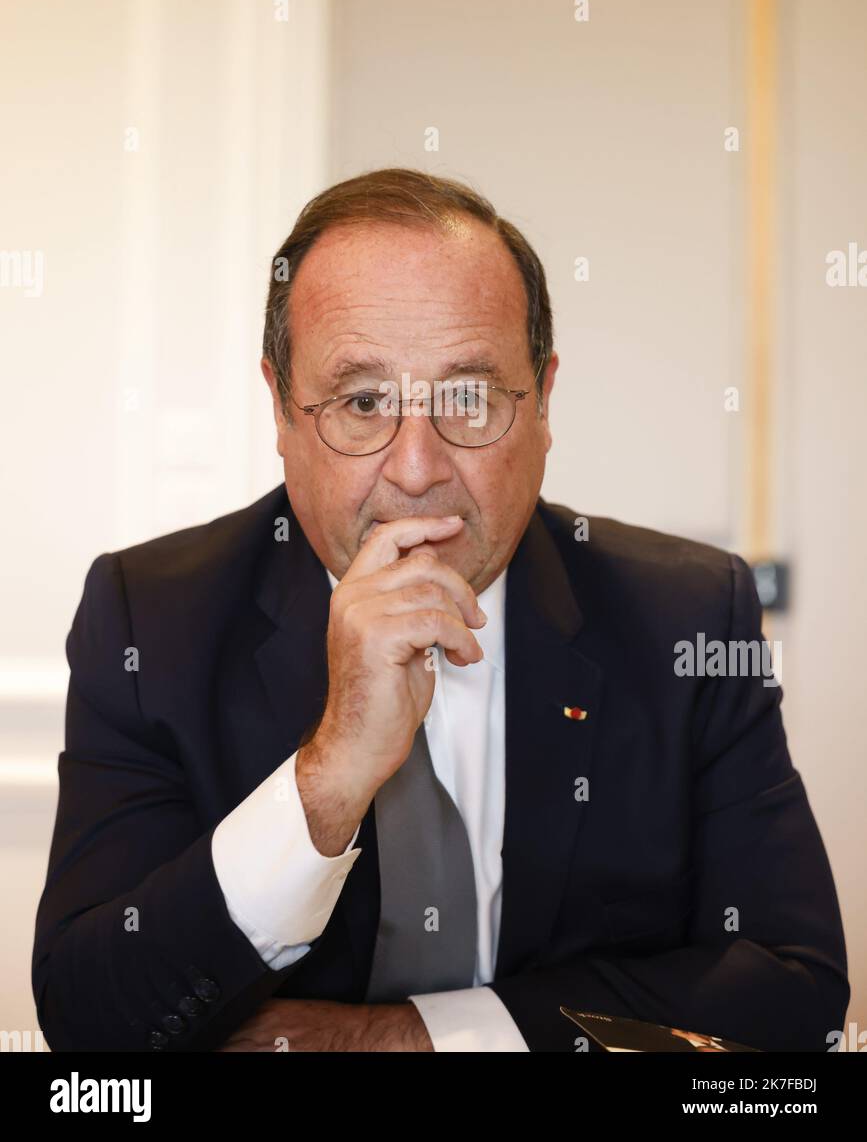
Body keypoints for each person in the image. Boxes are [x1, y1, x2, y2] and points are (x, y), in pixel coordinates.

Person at [32, 169, 849, 1052]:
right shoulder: (150, 619)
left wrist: (405, 1042)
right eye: (362, 401)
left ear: (542, 401)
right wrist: (329, 775)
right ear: (280, 408)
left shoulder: (690, 613)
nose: (416, 467)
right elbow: (90, 1023)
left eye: (468, 394)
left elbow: (790, 985)